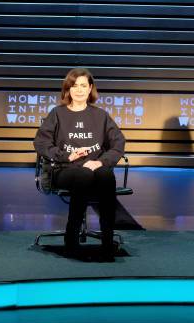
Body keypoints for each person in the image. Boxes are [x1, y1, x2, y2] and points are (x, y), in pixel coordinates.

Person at [34, 68, 125, 262]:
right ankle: (72, 237)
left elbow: (118, 143)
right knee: (83, 175)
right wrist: (66, 155)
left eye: (83, 85)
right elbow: (40, 143)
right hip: (64, 169)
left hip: (94, 168)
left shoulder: (101, 115)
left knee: (106, 175)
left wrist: (100, 161)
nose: (79, 90)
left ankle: (108, 241)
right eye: (74, 86)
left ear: (90, 88)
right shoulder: (57, 113)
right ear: (67, 89)